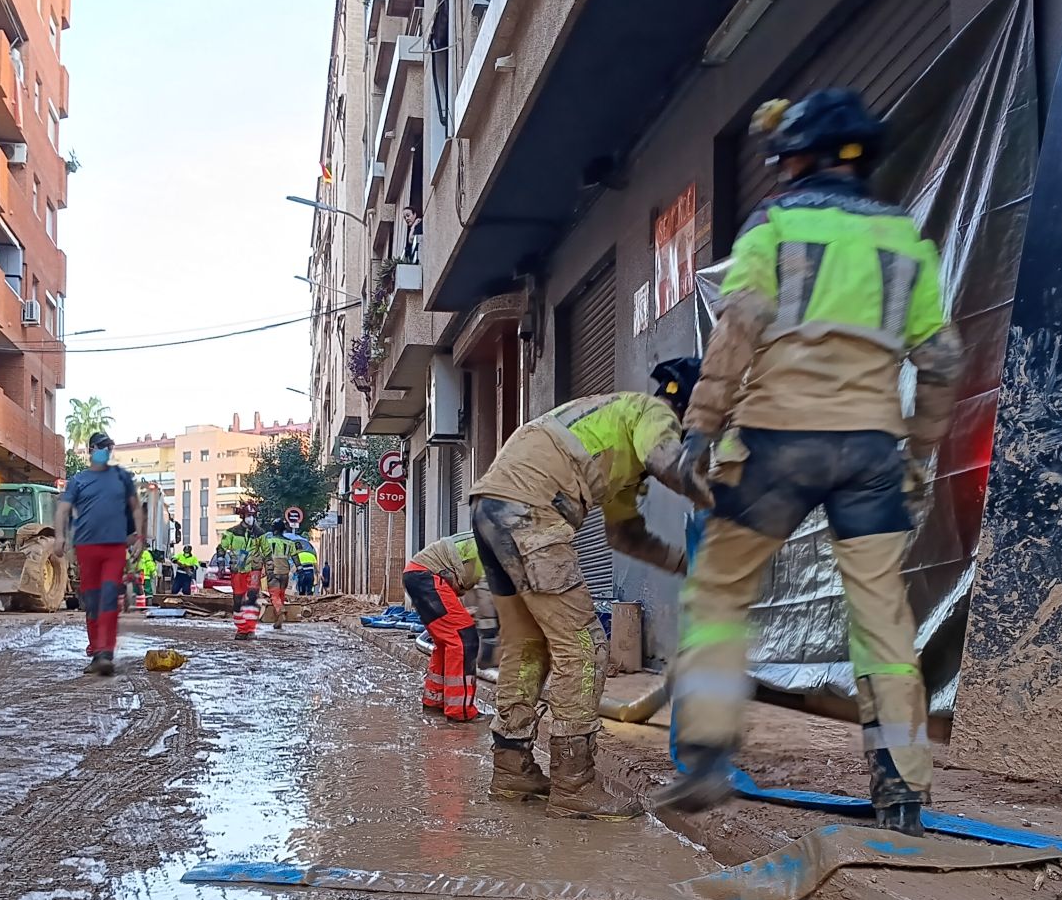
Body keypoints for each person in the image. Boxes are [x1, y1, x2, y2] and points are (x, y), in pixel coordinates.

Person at [656, 89, 960, 836]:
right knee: (884, 621)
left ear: (801, 159)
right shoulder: (905, 240)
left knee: (721, 591)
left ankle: (705, 754)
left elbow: (735, 334)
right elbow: (942, 357)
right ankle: (901, 789)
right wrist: (919, 450)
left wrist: (700, 425)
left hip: (776, 443)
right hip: (871, 451)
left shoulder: (777, 226)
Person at [469, 359, 708, 819]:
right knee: (584, 647)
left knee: (527, 645)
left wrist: (683, 564)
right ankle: (574, 783)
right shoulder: (651, 412)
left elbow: (625, 536)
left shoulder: (615, 423)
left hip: (490, 508)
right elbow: (671, 463)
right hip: (530, 513)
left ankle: (511, 766)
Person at [54, 432, 142, 677]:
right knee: (92, 602)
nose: (105, 451)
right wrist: (59, 536)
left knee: (108, 598)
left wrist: (138, 537)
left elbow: (134, 508)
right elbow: (62, 510)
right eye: (102, 447)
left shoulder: (122, 478)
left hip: (114, 547)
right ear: (91, 449)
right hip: (87, 548)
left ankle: (105, 653)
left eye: (109, 447)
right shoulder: (79, 481)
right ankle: (96, 650)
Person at [404, 531, 496, 722]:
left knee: (446, 641)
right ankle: (460, 710)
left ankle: (435, 700)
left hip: (417, 575)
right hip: (427, 576)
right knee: (464, 640)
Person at [217, 510, 267, 634]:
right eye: (248, 515)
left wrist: (270, 568)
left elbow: (267, 551)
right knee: (238, 600)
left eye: (253, 515)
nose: (250, 518)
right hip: (238, 569)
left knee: (252, 598)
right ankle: (241, 629)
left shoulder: (259, 533)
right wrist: (221, 563)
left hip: (254, 569)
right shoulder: (232, 532)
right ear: (243, 516)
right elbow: (221, 548)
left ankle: (250, 629)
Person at [259, 517, 296, 628]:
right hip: (285, 572)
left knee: (274, 595)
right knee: (281, 594)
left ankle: (280, 611)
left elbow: (262, 557)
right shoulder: (289, 543)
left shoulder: (267, 542)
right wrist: (299, 568)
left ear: (273, 529)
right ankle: (278, 620)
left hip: (272, 571)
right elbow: (295, 557)